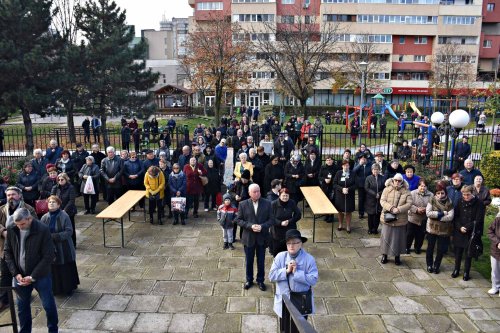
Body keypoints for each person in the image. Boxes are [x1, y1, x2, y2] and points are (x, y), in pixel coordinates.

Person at [4, 208, 58, 333]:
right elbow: (8, 252)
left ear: (30, 219)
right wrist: (15, 273)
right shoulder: (12, 228)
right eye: (17, 224)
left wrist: (32, 276)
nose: (20, 227)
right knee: (22, 308)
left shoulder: (42, 230)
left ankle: (53, 330)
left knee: (49, 306)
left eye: (22, 224)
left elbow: (49, 255)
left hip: (41, 276)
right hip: (19, 277)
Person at [269, 229, 318, 329]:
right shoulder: (280, 257)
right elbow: (271, 276)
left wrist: (297, 273)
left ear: (301, 244)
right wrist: (286, 271)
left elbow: (313, 279)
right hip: (284, 301)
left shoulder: (309, 259)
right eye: (289, 243)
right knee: (284, 327)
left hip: (301, 301)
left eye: (295, 243)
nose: (291, 245)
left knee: (299, 327)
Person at [0, 187, 36, 312]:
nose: (11, 197)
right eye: (8, 195)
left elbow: (34, 224)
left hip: (22, 247)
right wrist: (3, 231)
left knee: (23, 272)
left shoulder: (28, 209)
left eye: (13, 194)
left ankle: (25, 294)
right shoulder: (2, 209)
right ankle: (4, 300)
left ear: (19, 196)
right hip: (5, 249)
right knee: (5, 275)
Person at [235, 184, 274, 291]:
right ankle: (249, 280)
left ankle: (260, 280)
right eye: (254, 192)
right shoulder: (242, 204)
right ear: (249, 193)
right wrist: (250, 226)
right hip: (248, 238)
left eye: (258, 191)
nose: (257, 193)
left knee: (261, 261)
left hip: (262, 237)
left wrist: (262, 226)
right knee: (249, 261)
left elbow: (271, 220)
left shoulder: (267, 203)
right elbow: (238, 220)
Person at [40, 196, 79, 295]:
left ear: (58, 204)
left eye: (54, 202)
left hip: (64, 246)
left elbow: (69, 231)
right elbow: (41, 231)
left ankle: (68, 288)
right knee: (53, 268)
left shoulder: (64, 215)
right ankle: (55, 289)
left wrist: (55, 236)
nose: (51, 204)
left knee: (65, 267)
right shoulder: (44, 217)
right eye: (50, 202)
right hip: (50, 247)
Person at [452, 185, 485, 281]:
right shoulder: (459, 201)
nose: (466, 197)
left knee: (468, 253)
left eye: (468, 195)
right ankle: (456, 269)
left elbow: (478, 219)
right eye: (464, 195)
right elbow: (456, 216)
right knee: (458, 252)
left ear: (473, 193)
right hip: (459, 230)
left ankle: (466, 272)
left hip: (471, 232)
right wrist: (459, 227)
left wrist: (466, 227)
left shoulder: (479, 203)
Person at [379, 173, 412, 266]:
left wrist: (399, 209)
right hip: (388, 218)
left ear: (402, 181)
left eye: (399, 180)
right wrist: (391, 208)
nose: (397, 182)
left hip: (400, 219)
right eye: (395, 180)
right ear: (393, 180)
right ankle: (384, 255)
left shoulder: (407, 191)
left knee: (398, 239)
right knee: (386, 238)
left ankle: (397, 256)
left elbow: (409, 204)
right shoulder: (386, 189)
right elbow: (382, 201)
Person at [425, 181, 454, 274]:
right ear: (435, 193)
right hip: (431, 228)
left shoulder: (449, 202)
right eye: (438, 193)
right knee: (430, 247)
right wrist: (441, 214)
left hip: (444, 229)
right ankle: (429, 265)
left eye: (442, 193)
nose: (440, 195)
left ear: (445, 193)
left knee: (440, 249)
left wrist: (437, 217)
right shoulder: (432, 199)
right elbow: (428, 213)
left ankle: (436, 265)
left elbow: (450, 217)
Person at [270, 188, 302, 257]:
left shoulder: (292, 202)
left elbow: (298, 214)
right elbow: (270, 218)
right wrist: (280, 223)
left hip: (289, 229)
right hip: (277, 231)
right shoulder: (273, 204)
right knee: (277, 251)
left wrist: (289, 221)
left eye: (287, 196)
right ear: (279, 195)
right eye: (283, 195)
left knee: (288, 249)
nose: (285, 197)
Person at [406, 178, 433, 255]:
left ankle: (417, 248)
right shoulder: (412, 193)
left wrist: (425, 209)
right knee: (409, 234)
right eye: (421, 186)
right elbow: (408, 204)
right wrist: (416, 209)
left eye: (424, 186)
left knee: (420, 234)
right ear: (418, 186)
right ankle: (407, 247)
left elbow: (433, 205)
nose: (422, 188)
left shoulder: (431, 195)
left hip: (423, 218)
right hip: (412, 217)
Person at [51, 173, 77, 247]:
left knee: (70, 227)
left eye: (62, 179)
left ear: (66, 179)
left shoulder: (71, 187)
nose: (60, 181)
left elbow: (71, 201)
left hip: (69, 211)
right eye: (58, 180)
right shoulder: (55, 187)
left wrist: (64, 210)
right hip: (57, 210)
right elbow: (52, 198)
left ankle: (73, 244)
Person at [333, 160, 356, 233]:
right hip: (340, 195)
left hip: (350, 195)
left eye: (347, 165)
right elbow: (334, 184)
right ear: (342, 166)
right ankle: (340, 225)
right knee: (340, 211)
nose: (346, 167)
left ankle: (348, 226)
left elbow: (356, 184)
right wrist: (342, 189)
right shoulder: (338, 173)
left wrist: (348, 189)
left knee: (348, 211)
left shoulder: (353, 173)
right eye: (344, 165)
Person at [364, 164, 385, 234]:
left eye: (377, 169)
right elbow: (366, 188)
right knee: (370, 215)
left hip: (379, 199)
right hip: (370, 199)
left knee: (377, 214)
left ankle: (375, 228)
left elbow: (385, 188)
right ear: (372, 170)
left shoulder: (382, 178)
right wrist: (374, 194)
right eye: (374, 169)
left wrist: (379, 193)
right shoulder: (368, 178)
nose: (375, 171)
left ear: (379, 170)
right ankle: (370, 229)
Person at [319, 156, 338, 222]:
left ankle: (331, 216)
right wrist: (325, 180)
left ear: (332, 161)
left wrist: (331, 180)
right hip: (324, 187)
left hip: (332, 187)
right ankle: (326, 215)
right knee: (325, 201)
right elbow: (319, 177)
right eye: (327, 160)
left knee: (331, 201)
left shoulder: (336, 168)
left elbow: (337, 177)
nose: (329, 161)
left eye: (330, 160)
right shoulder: (323, 167)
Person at [353, 154, 371, 219]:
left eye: (364, 158)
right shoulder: (357, 164)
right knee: (361, 199)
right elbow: (353, 171)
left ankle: (368, 211)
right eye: (362, 159)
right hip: (360, 185)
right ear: (359, 159)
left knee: (368, 199)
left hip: (368, 184)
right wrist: (359, 164)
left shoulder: (370, 165)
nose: (363, 160)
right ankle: (361, 213)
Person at [487, 213, 500, 295]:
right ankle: (495, 286)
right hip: (495, 249)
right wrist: (497, 242)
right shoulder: (497, 220)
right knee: (495, 269)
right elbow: (490, 231)